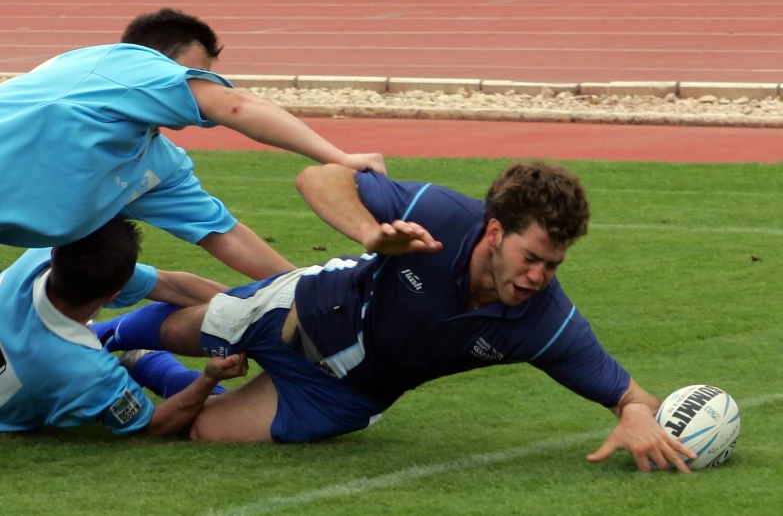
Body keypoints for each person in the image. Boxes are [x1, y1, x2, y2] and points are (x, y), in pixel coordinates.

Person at [91, 160, 698, 472]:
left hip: (342, 399)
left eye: (553, 265)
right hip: (302, 309)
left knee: (198, 430)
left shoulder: (544, 323)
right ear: (494, 232)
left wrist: (640, 415)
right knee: (177, 327)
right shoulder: (439, 213)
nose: (537, 276)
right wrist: (371, 236)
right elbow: (319, 176)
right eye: (530, 257)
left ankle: (149, 368)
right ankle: (94, 336)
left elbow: (627, 392)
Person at [0, 7, 385, 280]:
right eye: (197, 72)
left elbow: (223, 234)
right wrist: (341, 157)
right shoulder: (121, 63)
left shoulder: (154, 163)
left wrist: (309, 290)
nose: (200, 84)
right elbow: (235, 105)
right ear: (164, 60)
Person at [0, 218, 248, 436]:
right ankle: (144, 361)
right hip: (55, 364)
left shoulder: (39, 255)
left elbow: (172, 287)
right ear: (113, 295)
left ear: (56, 251)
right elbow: (153, 424)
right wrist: (208, 378)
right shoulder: (88, 372)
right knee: (208, 409)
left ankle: (132, 353)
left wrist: (252, 309)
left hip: (39, 348)